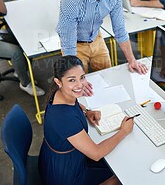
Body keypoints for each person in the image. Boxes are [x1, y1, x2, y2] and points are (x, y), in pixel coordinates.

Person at [38, 55, 133, 185]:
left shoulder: (59, 94)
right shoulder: (65, 118)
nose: (80, 85)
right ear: (58, 82)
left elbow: (74, 104)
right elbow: (96, 153)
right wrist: (124, 131)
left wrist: (87, 112)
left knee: (115, 161)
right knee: (121, 176)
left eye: (82, 77)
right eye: (72, 80)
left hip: (57, 160)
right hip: (66, 175)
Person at [56, 0, 147, 81]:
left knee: (107, 79)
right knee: (80, 85)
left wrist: (132, 60)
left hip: (96, 38)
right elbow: (68, 44)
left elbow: (120, 30)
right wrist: (76, 78)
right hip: (74, 44)